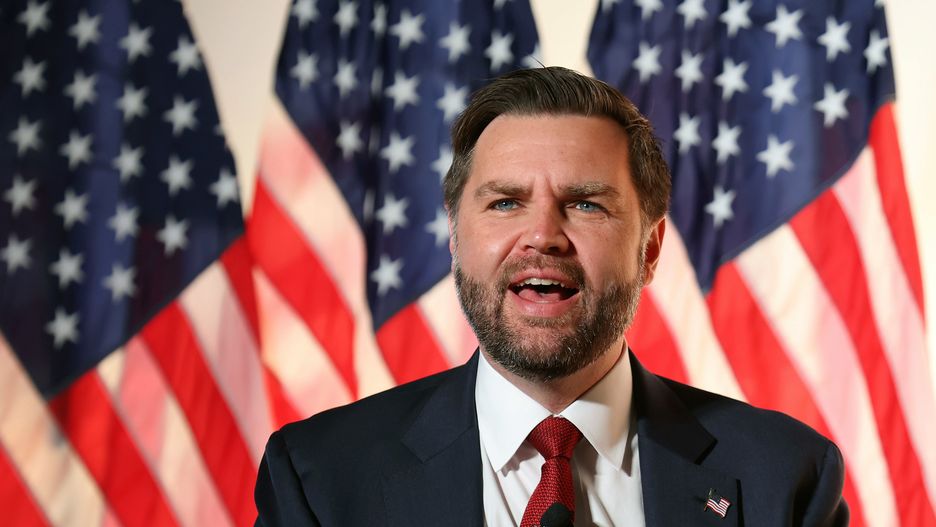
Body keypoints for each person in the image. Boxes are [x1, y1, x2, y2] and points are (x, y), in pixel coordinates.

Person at [253, 67, 848, 526]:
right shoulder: (320, 479)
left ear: (649, 248)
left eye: (586, 204)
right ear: (456, 238)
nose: (542, 235)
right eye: (505, 202)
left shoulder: (786, 479)